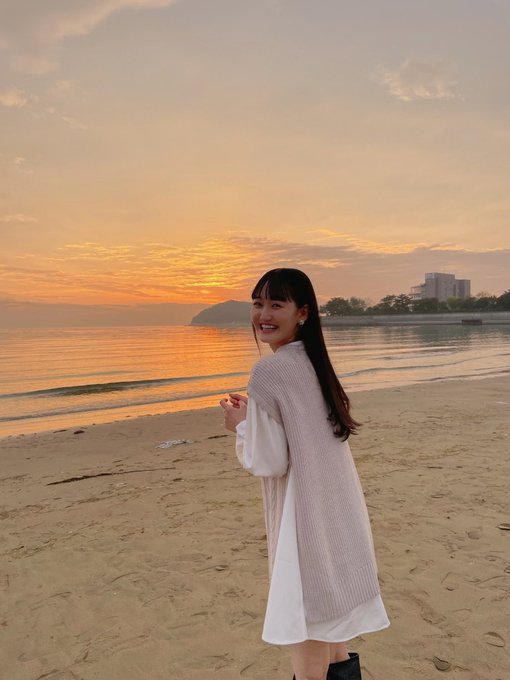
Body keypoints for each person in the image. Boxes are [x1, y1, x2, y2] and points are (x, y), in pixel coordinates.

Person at [220, 268, 389, 680]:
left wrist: (241, 426)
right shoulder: (315, 363)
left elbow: (269, 461)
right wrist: (256, 419)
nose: (264, 314)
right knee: (333, 635)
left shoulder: (270, 371)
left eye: (276, 304)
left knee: (310, 630)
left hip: (305, 522)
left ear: (303, 313)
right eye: (258, 303)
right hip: (339, 514)